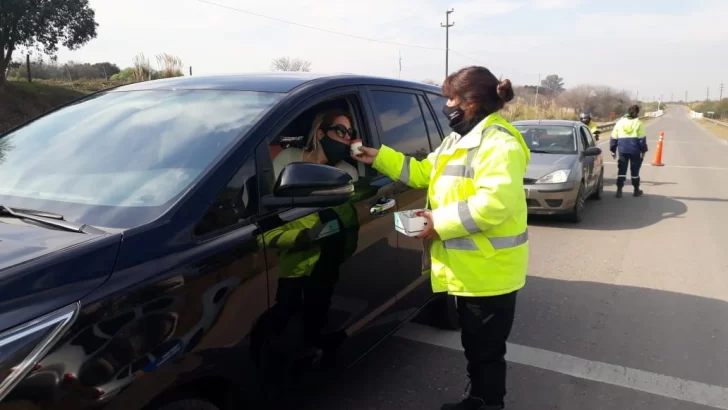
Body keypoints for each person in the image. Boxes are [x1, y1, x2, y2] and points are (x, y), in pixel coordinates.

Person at [352, 66, 530, 410]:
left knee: (486, 350)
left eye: (452, 98)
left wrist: (436, 222)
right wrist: (378, 157)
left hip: (490, 271)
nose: (447, 104)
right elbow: (423, 172)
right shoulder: (458, 138)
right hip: (471, 268)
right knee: (476, 344)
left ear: (472, 102)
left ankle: (487, 403)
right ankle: (480, 397)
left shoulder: (499, 143)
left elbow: (494, 205)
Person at [272, 108, 359, 181]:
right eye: (341, 130)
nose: (348, 137)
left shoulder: (348, 173)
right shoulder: (288, 157)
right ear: (321, 134)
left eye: (350, 132)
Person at [610, 104, 648, 198]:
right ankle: (636, 190)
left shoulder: (620, 122)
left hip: (622, 150)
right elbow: (641, 140)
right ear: (637, 113)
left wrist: (613, 150)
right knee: (635, 171)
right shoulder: (638, 123)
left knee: (622, 170)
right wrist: (643, 151)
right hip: (635, 151)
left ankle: (619, 190)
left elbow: (614, 137)